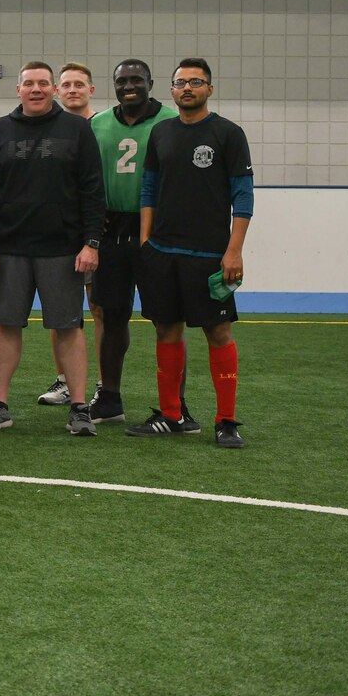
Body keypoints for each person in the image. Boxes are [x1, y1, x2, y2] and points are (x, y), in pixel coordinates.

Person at [0, 61, 105, 435]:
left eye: (44, 83)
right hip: (10, 249)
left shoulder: (77, 129)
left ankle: (79, 408)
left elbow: (94, 190)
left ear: (54, 90)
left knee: (69, 327)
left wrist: (91, 243)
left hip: (63, 249)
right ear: (18, 90)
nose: (37, 89)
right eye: (29, 83)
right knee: (7, 325)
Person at [130, 58, 254, 448]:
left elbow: (243, 197)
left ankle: (226, 421)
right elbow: (148, 188)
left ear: (209, 90)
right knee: (166, 330)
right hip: (162, 253)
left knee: (218, 332)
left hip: (209, 257)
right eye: (180, 82)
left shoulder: (228, 134)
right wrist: (146, 241)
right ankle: (171, 415)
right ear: (170, 90)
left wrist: (234, 251)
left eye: (196, 82)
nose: (187, 88)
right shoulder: (161, 133)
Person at [86, 59, 177, 424]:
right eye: (122, 80)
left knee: (166, 319)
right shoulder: (98, 124)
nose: (129, 86)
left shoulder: (170, 121)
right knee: (112, 315)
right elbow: (88, 177)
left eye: (136, 79)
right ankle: (110, 398)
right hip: (112, 230)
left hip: (157, 231)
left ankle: (175, 403)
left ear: (150, 83)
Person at [33, 61, 101, 405]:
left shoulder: (103, 127)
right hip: (58, 239)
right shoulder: (49, 128)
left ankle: (103, 385)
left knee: (98, 308)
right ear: (57, 91)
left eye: (79, 84)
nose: (72, 90)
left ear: (92, 90)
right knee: (60, 315)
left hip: (94, 234)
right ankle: (64, 381)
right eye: (67, 85)